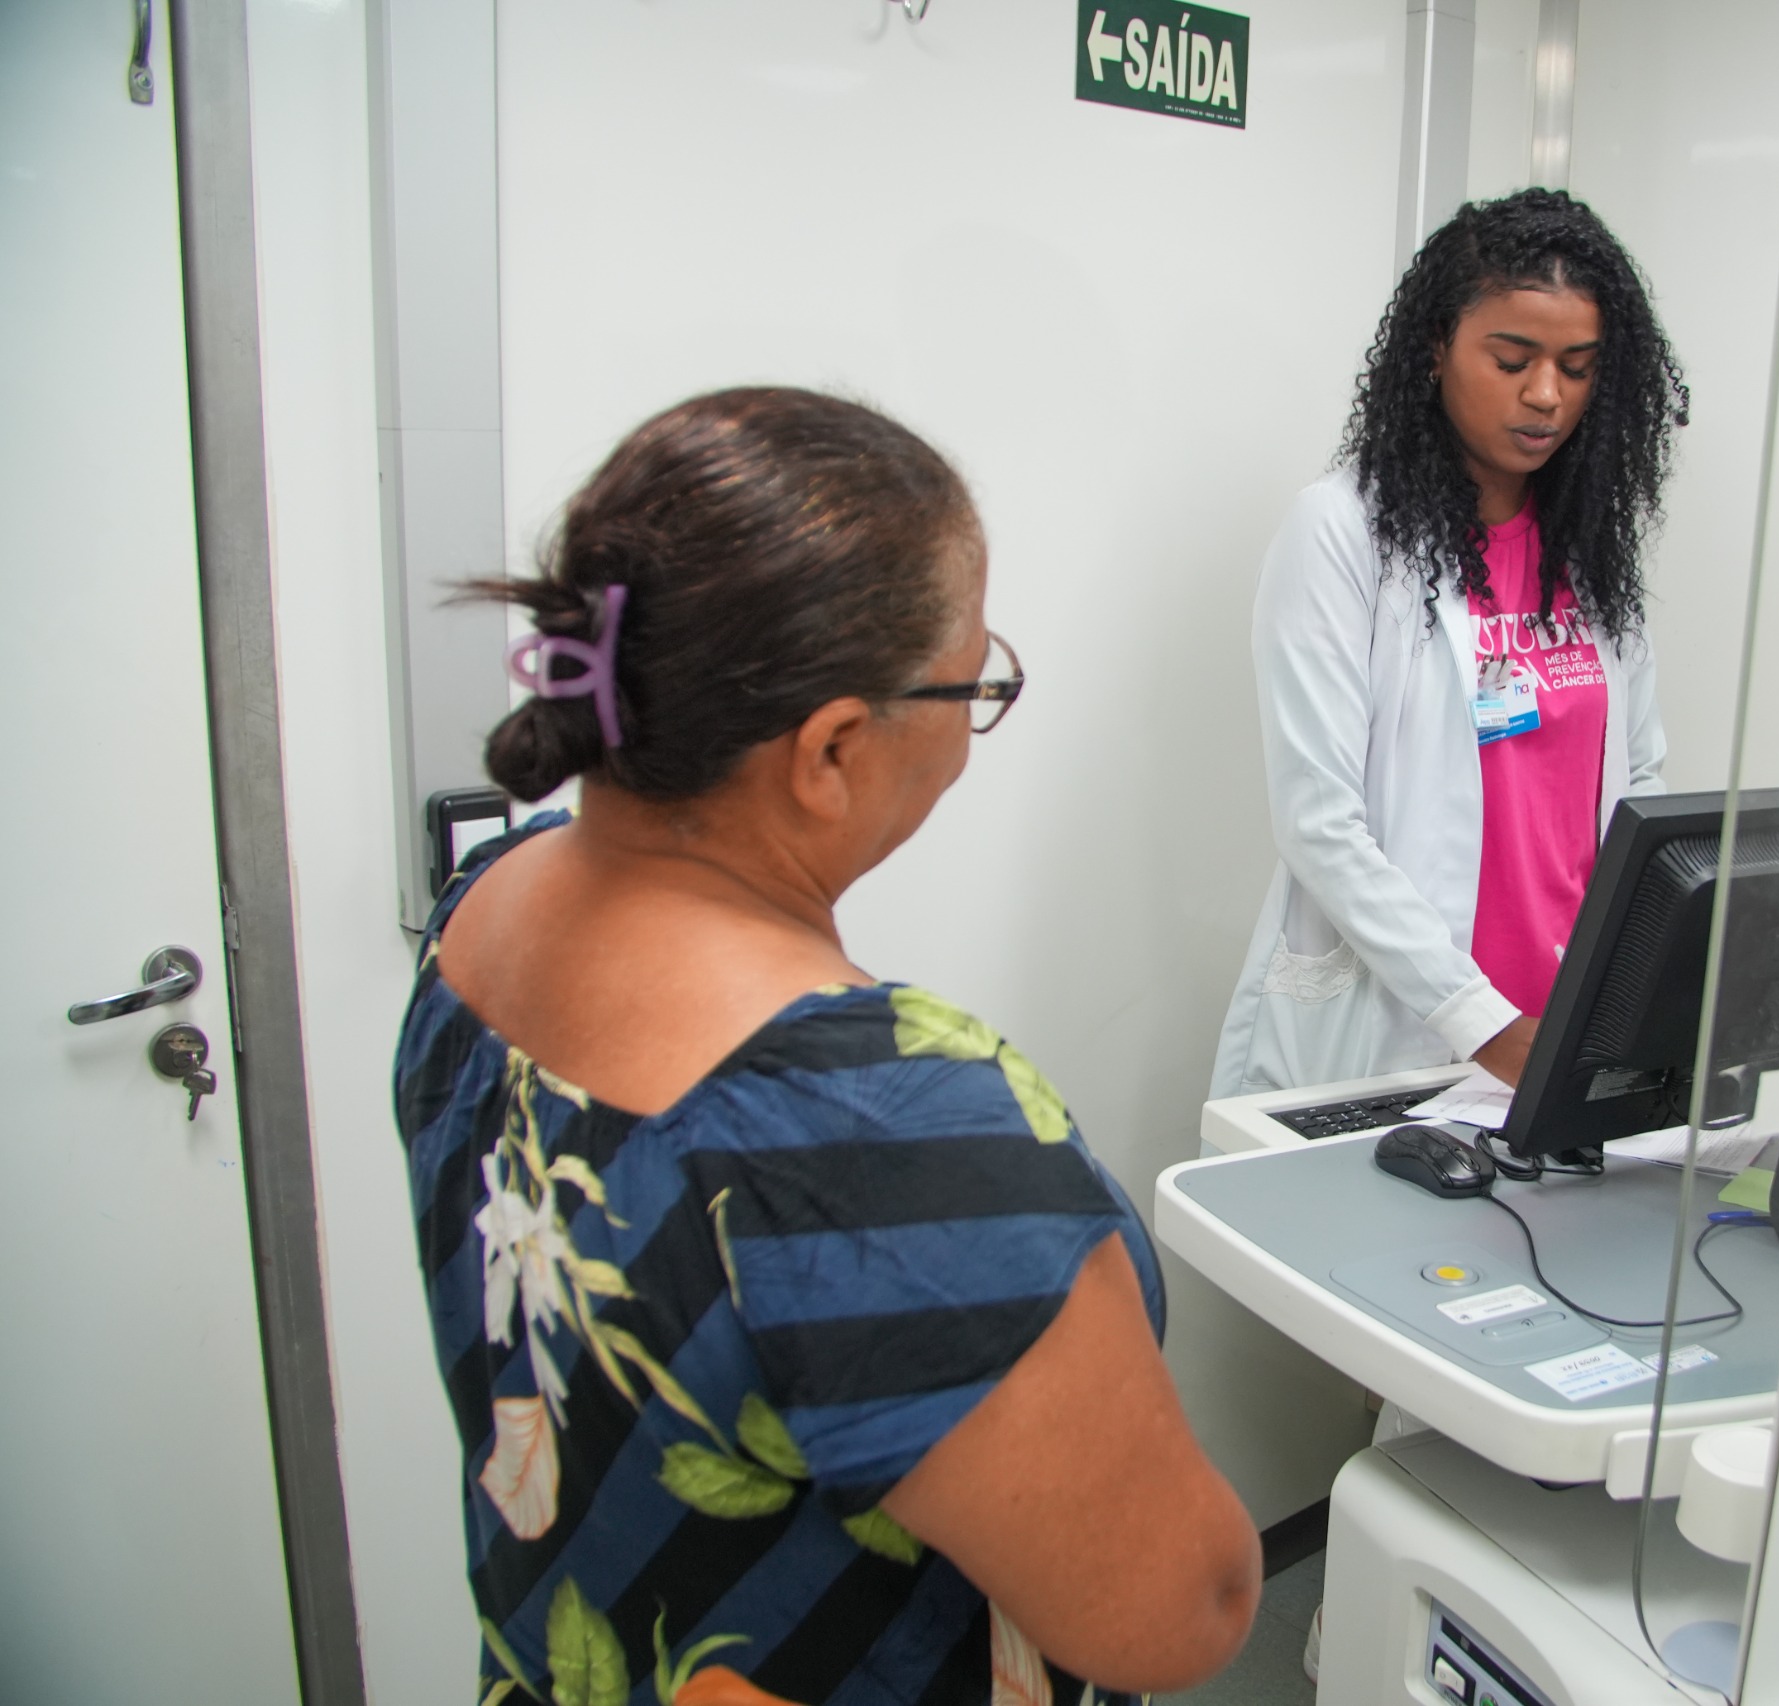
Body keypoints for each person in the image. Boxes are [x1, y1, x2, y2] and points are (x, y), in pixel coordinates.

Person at [396, 388, 1260, 1706]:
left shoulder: (490, 910)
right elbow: (1173, 1614)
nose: (974, 721)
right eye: (974, 682)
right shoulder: (883, 1127)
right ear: (834, 747)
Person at [1212, 188, 1689, 1101]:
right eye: (1512, 359)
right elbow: (1320, 825)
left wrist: (1638, 997)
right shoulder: (1343, 535)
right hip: (1412, 1032)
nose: (1547, 395)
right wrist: (1488, 1025)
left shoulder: (1590, 551)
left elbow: (1644, 788)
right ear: (1436, 348)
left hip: (1571, 1029)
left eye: (1579, 367)